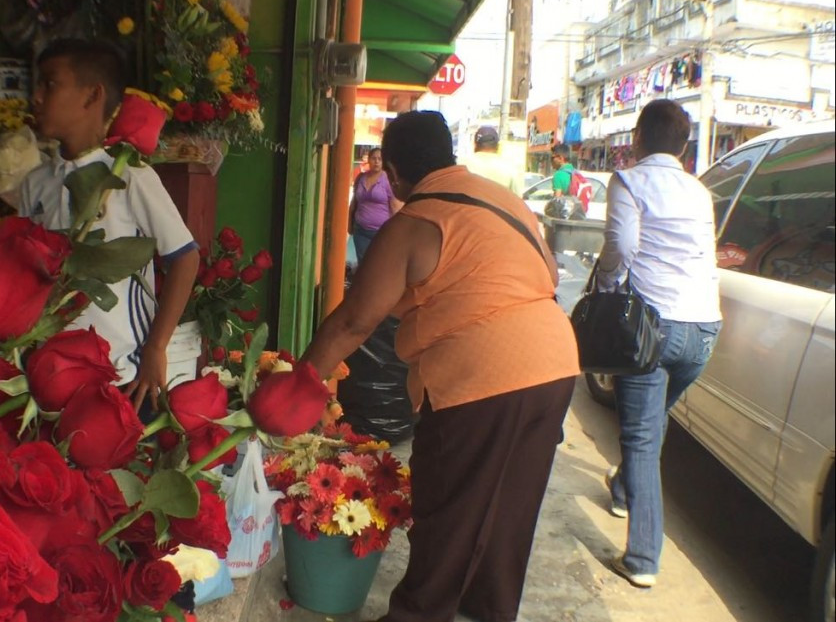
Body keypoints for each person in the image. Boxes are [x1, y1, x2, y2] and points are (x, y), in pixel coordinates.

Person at [301, 111, 579, 622]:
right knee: (506, 515)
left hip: (485, 376)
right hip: (555, 366)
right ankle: (489, 612)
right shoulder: (502, 199)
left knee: (450, 513)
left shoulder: (413, 221)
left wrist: (298, 385)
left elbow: (353, 324)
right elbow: (541, 272)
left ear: (393, 170)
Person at [19, 39, 201, 408]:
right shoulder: (36, 183)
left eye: (50, 84)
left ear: (92, 96)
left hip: (124, 377)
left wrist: (157, 347)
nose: (36, 97)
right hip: (49, 375)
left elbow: (185, 257)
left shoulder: (131, 177)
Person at [597, 99, 722, 588]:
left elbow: (622, 248)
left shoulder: (629, 180)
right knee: (651, 422)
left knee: (643, 437)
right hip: (704, 329)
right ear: (685, 145)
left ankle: (643, 557)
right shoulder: (700, 191)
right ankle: (624, 487)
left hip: (651, 327)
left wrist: (607, 286)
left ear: (637, 138)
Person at [349, 147, 401, 262]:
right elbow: (354, 202)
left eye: (379, 159)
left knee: (378, 263)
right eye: (373, 158)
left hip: (381, 232)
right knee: (363, 263)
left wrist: (395, 230)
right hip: (360, 230)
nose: (376, 161)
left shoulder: (387, 180)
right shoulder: (361, 178)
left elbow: (394, 207)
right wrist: (349, 222)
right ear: (369, 160)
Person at [460, 126, 520, 195]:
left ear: (475, 144)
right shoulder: (510, 168)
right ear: (498, 146)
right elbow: (517, 200)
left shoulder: (461, 165)